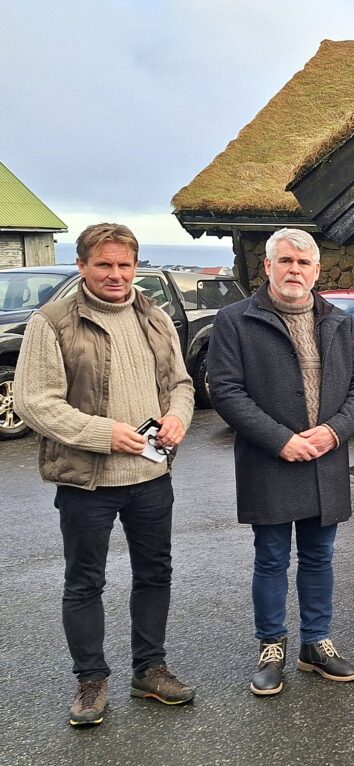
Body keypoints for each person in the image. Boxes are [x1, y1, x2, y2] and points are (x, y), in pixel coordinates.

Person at [14, 223, 196, 726]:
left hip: (151, 476)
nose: (116, 274)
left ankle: (150, 670)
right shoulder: (52, 322)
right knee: (85, 581)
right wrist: (103, 434)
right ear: (82, 266)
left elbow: (181, 383)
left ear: (135, 266)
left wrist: (178, 416)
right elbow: (34, 402)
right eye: (104, 264)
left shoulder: (155, 317)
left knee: (155, 573)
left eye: (124, 265)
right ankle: (91, 680)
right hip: (86, 479)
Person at [207, 229, 354, 697]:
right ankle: (271, 647)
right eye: (285, 261)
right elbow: (226, 390)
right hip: (270, 460)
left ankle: (316, 643)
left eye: (303, 263)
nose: (294, 270)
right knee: (271, 558)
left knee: (319, 557)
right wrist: (280, 439)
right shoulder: (235, 320)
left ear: (316, 271)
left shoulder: (339, 322)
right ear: (268, 266)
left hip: (325, 457)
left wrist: (335, 430)